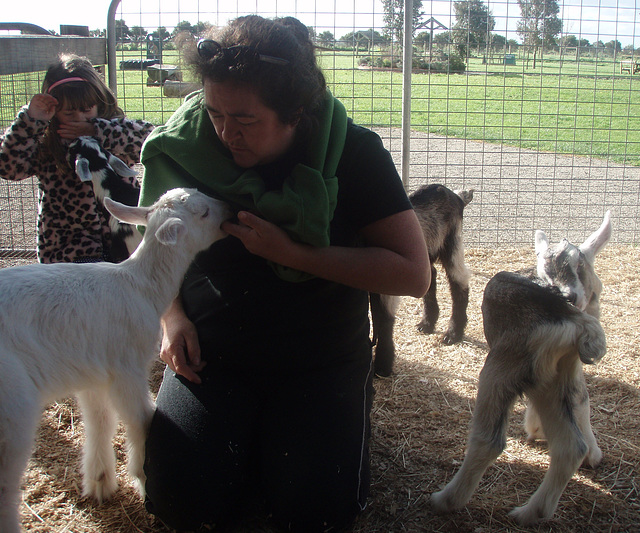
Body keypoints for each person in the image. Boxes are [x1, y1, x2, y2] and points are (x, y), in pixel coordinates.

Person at [140, 15, 430, 532]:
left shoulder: (353, 152)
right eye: (213, 112)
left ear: (297, 110)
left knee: (314, 512)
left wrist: (295, 253)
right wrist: (172, 318)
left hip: (318, 357)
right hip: (214, 353)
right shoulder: (183, 147)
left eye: (246, 120)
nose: (226, 133)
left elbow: (413, 274)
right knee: (182, 502)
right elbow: (154, 248)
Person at [0, 54, 154, 263]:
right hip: (67, 250)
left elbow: (150, 140)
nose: (79, 119)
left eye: (86, 110)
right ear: (54, 113)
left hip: (121, 240)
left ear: (99, 104)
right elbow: (9, 167)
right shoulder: (46, 143)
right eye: (69, 114)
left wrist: (99, 129)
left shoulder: (114, 131)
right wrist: (30, 120)